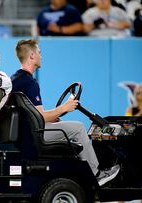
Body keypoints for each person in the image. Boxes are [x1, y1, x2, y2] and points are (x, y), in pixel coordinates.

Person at [11, 39, 120, 186]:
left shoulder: (17, 79)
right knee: (78, 128)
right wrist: (64, 108)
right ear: (31, 56)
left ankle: (78, 174)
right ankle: (96, 174)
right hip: (33, 134)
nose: (41, 56)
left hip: (27, 131)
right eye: (39, 53)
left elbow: (34, 115)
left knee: (65, 127)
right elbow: (41, 117)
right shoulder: (30, 82)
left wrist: (56, 115)